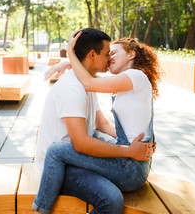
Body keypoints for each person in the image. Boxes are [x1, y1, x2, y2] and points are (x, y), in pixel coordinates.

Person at [33, 28, 159, 214]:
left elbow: (90, 84)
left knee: (61, 150)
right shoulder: (76, 87)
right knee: (57, 151)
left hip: (90, 159)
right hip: (61, 165)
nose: (109, 59)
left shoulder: (123, 78)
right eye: (108, 53)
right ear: (92, 54)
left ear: (131, 55)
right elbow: (101, 127)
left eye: (113, 53)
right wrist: (131, 149)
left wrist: (134, 149)